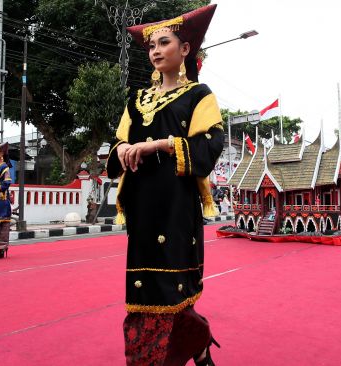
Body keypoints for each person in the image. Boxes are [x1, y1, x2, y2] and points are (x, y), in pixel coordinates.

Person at [105, 5, 222, 365]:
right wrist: (123, 147)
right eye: (151, 45)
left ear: (185, 49)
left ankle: (162, 355)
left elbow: (209, 147)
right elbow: (119, 142)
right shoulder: (136, 100)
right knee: (144, 286)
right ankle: (195, 342)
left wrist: (160, 144)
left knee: (172, 287)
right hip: (142, 201)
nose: (155, 50)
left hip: (175, 202)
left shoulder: (200, 96)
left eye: (164, 42)